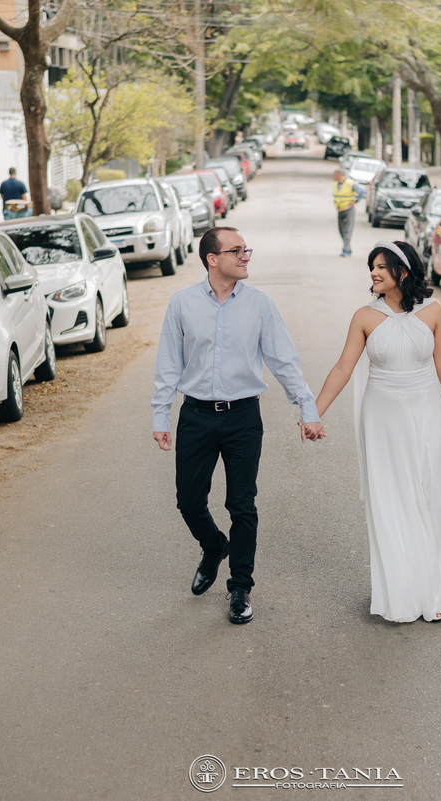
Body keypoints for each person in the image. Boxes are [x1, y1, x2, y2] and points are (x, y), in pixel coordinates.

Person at [152, 226, 326, 625]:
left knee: (242, 504)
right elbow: (168, 364)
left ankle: (240, 587)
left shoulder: (260, 305)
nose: (246, 256)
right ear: (212, 259)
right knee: (189, 501)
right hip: (195, 415)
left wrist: (308, 408)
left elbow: (284, 361)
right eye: (236, 251)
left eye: (247, 250)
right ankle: (214, 547)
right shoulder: (181, 304)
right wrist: (161, 415)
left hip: (244, 416)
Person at [314, 240, 441, 623]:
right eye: (372, 267)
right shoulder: (364, 317)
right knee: (392, 500)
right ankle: (399, 591)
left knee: (427, 495)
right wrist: (312, 413)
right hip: (382, 418)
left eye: (382, 266)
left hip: (425, 413)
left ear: (403, 271)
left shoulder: (433, 313)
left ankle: (434, 588)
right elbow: (342, 369)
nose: (374, 272)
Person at [332, 169, 362, 257]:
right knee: (341, 231)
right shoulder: (336, 185)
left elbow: (362, 191)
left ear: (339, 175)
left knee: (347, 231)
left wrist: (355, 201)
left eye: (335, 175)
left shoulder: (350, 183)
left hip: (349, 210)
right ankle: (348, 248)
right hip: (340, 210)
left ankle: (345, 250)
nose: (333, 177)